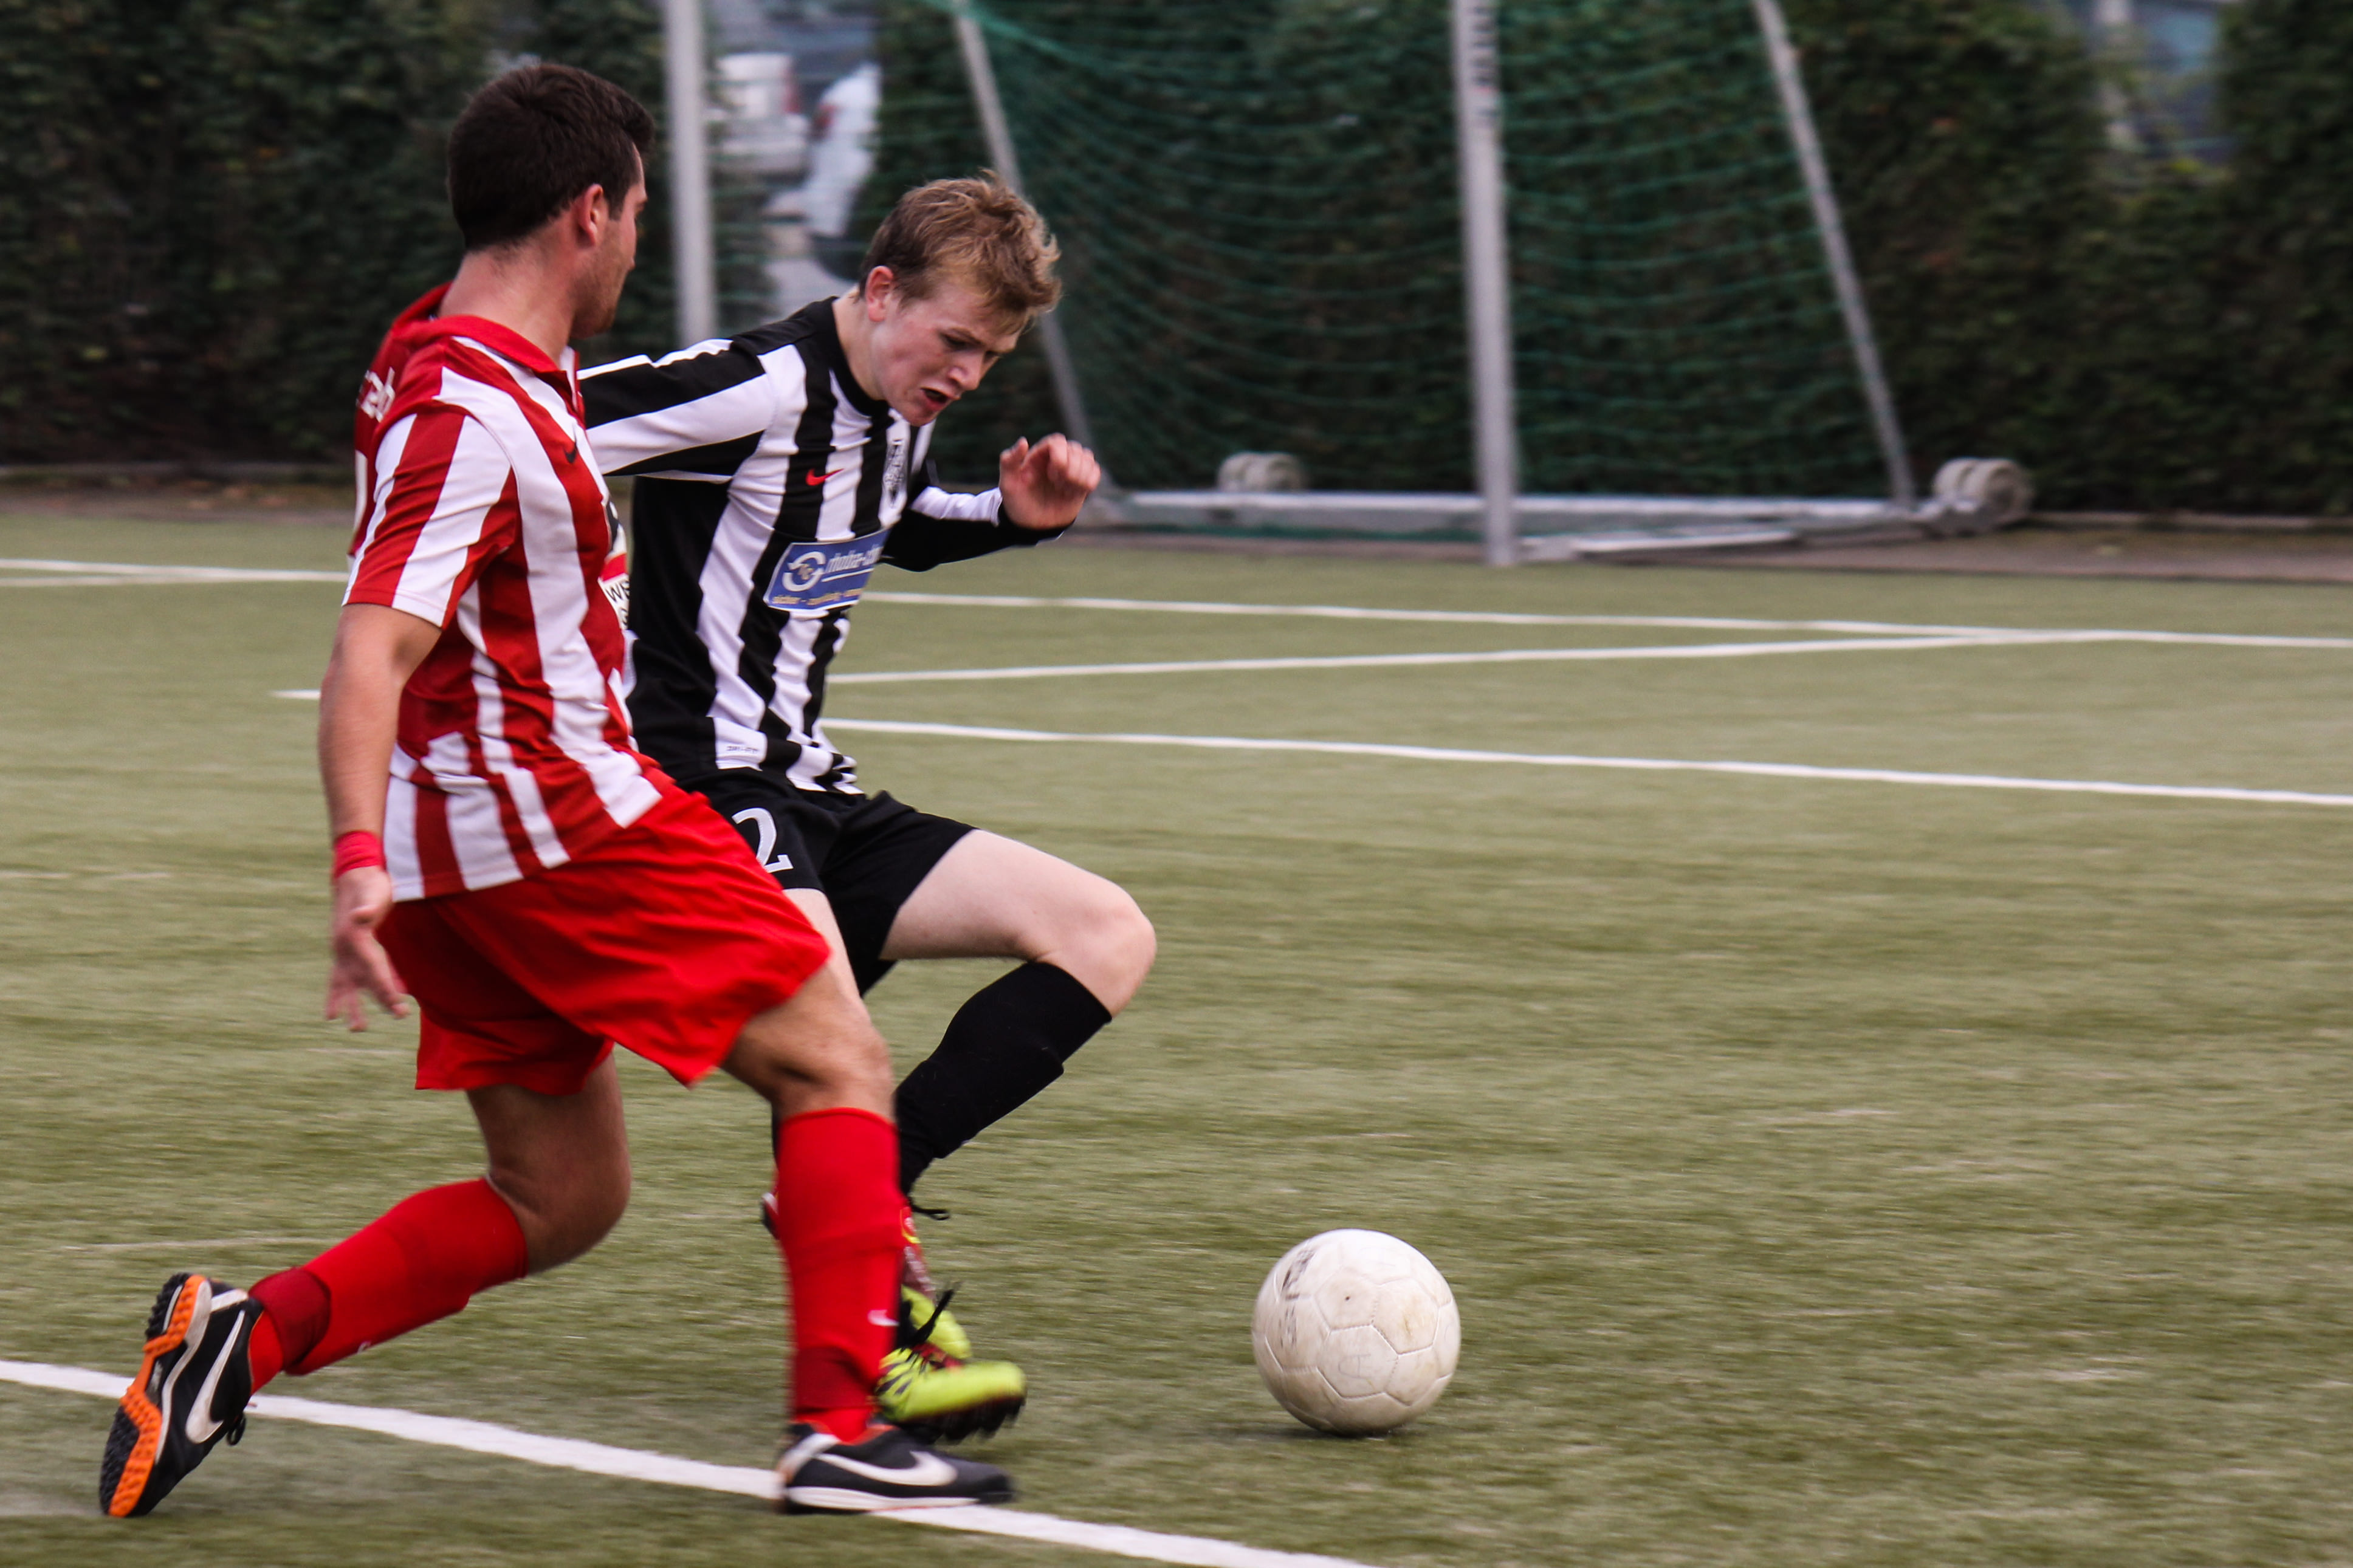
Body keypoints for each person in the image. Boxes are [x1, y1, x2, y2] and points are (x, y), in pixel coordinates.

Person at [97, 64, 1009, 1520]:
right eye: (636, 214)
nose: (638, 243)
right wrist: (348, 862)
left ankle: (243, 1337)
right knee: (837, 1058)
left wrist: (382, 854)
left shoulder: (440, 351)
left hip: (457, 849)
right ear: (589, 212)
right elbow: (370, 644)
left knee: (561, 1197)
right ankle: (838, 1429)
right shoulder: (475, 409)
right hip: (558, 822)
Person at [579, 175, 1155, 1442]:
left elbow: (884, 522)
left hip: (818, 793)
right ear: (881, 290)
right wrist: (574, 596)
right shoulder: (756, 385)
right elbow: (546, 422)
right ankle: (868, 1338)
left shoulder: (893, 407)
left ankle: (867, 1190)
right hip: (707, 790)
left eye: (989, 357)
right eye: (954, 341)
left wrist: (1009, 518)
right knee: (836, 1052)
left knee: (1107, 933)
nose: (966, 374)